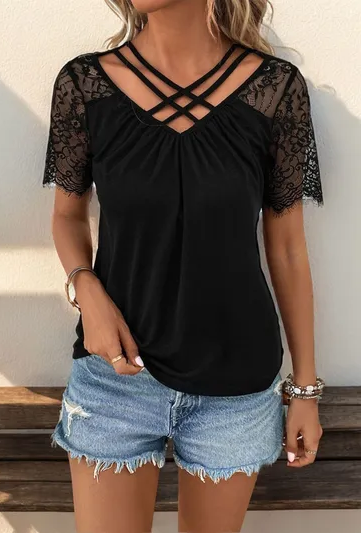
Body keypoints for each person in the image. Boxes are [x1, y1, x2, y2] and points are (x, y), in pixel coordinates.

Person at [42, 0, 325, 531]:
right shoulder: (85, 85)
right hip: (115, 378)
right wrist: (87, 292)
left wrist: (304, 389)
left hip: (235, 388)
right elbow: (66, 216)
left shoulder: (275, 89)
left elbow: (287, 248)